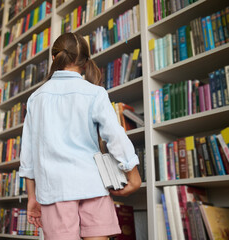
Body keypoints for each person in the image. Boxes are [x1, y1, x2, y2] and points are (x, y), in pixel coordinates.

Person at [19, 32, 142, 240]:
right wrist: (133, 173)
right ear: (84, 61)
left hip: (54, 191)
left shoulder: (35, 99)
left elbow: (28, 154)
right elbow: (115, 135)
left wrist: (32, 196)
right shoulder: (95, 93)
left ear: (53, 58)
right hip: (93, 185)